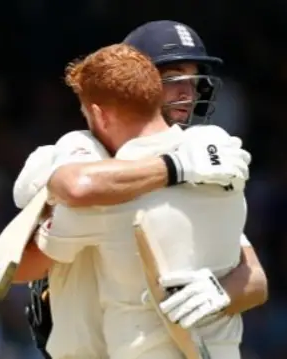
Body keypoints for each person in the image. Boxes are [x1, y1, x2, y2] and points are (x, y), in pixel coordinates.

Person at [18, 21, 267, 358]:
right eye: (176, 78)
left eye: (194, 82)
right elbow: (74, 191)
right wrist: (174, 170)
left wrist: (219, 292)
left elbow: (255, 279)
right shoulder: (82, 155)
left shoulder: (204, 158)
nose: (188, 94)